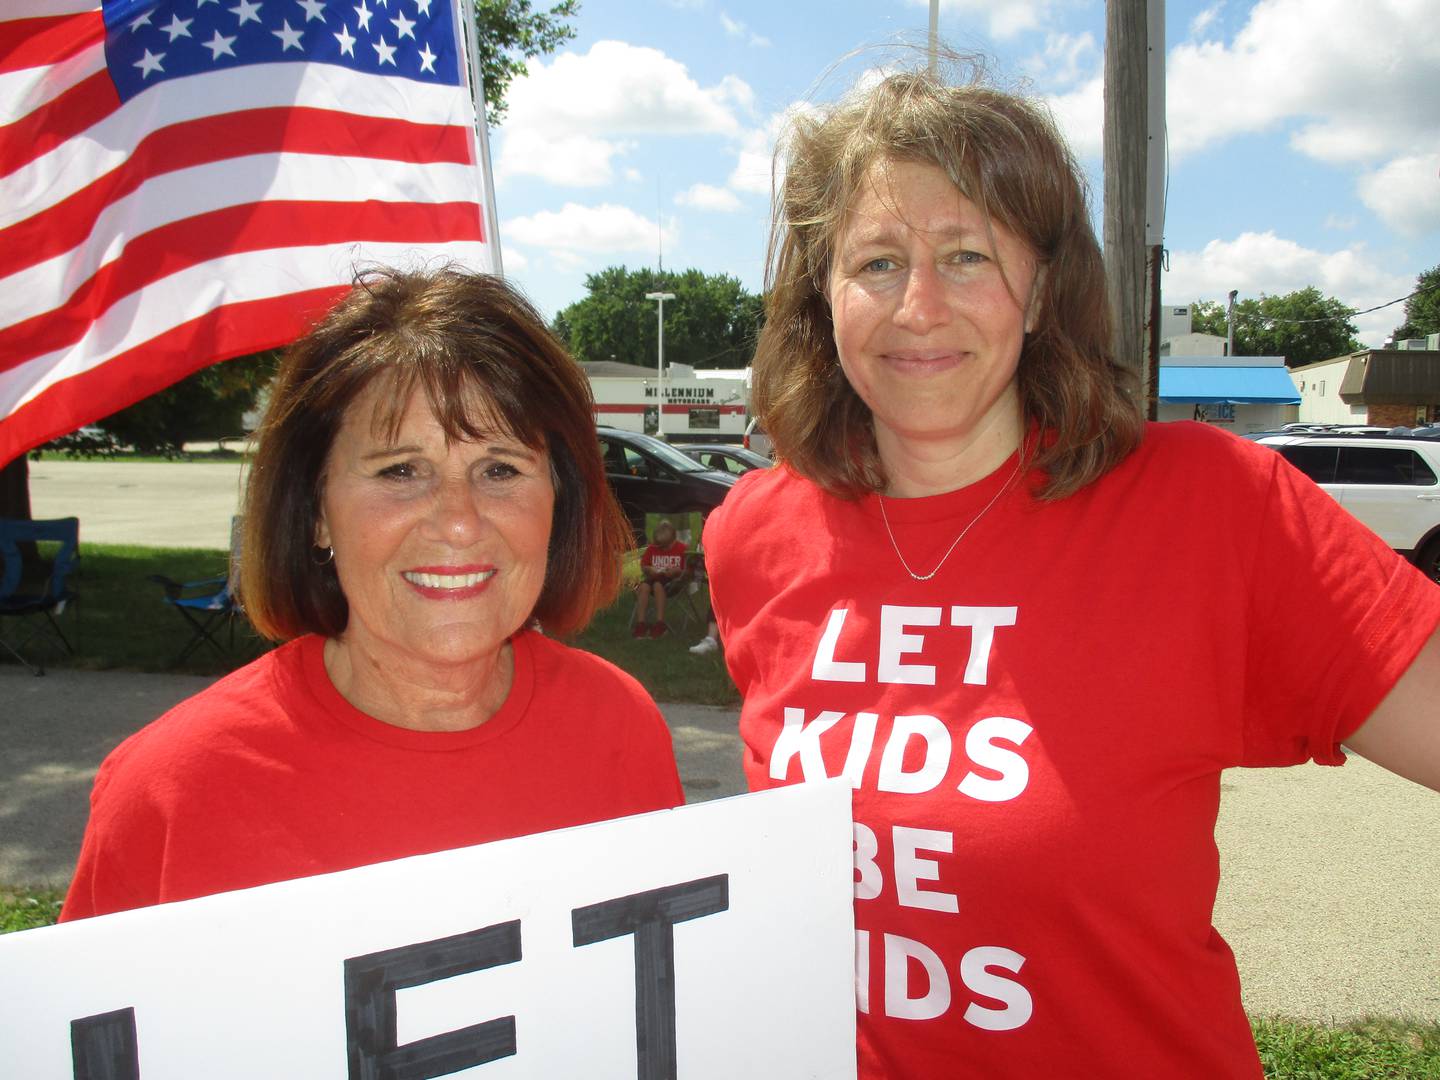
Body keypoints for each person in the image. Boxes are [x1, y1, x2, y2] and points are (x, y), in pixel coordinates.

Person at [702, 67, 1440, 1078]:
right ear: (821, 296)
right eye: (876, 262)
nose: (919, 306)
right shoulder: (754, 532)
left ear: (1044, 288)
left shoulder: (1207, 505)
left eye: (967, 256)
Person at [63, 268, 684, 920]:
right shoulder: (168, 794)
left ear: (558, 498)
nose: (459, 520)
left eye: (500, 468)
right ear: (317, 511)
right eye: (401, 470)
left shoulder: (619, 730)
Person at [633, 518, 687, 638]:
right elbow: (644, 566)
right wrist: (649, 569)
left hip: (673, 583)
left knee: (657, 585)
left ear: (673, 541)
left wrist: (677, 571)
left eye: (664, 547)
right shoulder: (652, 548)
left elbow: (688, 572)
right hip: (654, 577)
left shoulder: (682, 549)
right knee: (644, 586)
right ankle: (641, 623)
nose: (661, 549)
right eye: (659, 546)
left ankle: (660, 624)